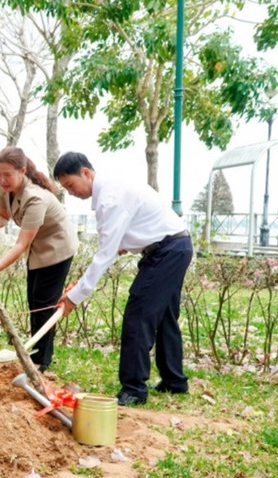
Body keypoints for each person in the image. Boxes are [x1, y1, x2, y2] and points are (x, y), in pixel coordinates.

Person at [53, 152, 193, 407]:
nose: (70, 192)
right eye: (65, 188)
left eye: (70, 185)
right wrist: (124, 244)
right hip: (175, 246)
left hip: (167, 251)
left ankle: (134, 389)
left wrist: (75, 297)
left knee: (138, 315)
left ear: (86, 173)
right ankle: (175, 381)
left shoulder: (110, 197)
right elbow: (124, 236)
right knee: (164, 316)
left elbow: (104, 254)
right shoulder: (112, 189)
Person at [0, 147, 79, 372]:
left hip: (58, 248)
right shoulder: (4, 188)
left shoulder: (35, 198)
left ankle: (40, 362)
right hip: (38, 248)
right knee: (34, 300)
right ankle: (34, 354)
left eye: (7, 174)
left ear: (22, 171)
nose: (2, 179)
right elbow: (6, 215)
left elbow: (21, 244)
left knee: (44, 304)